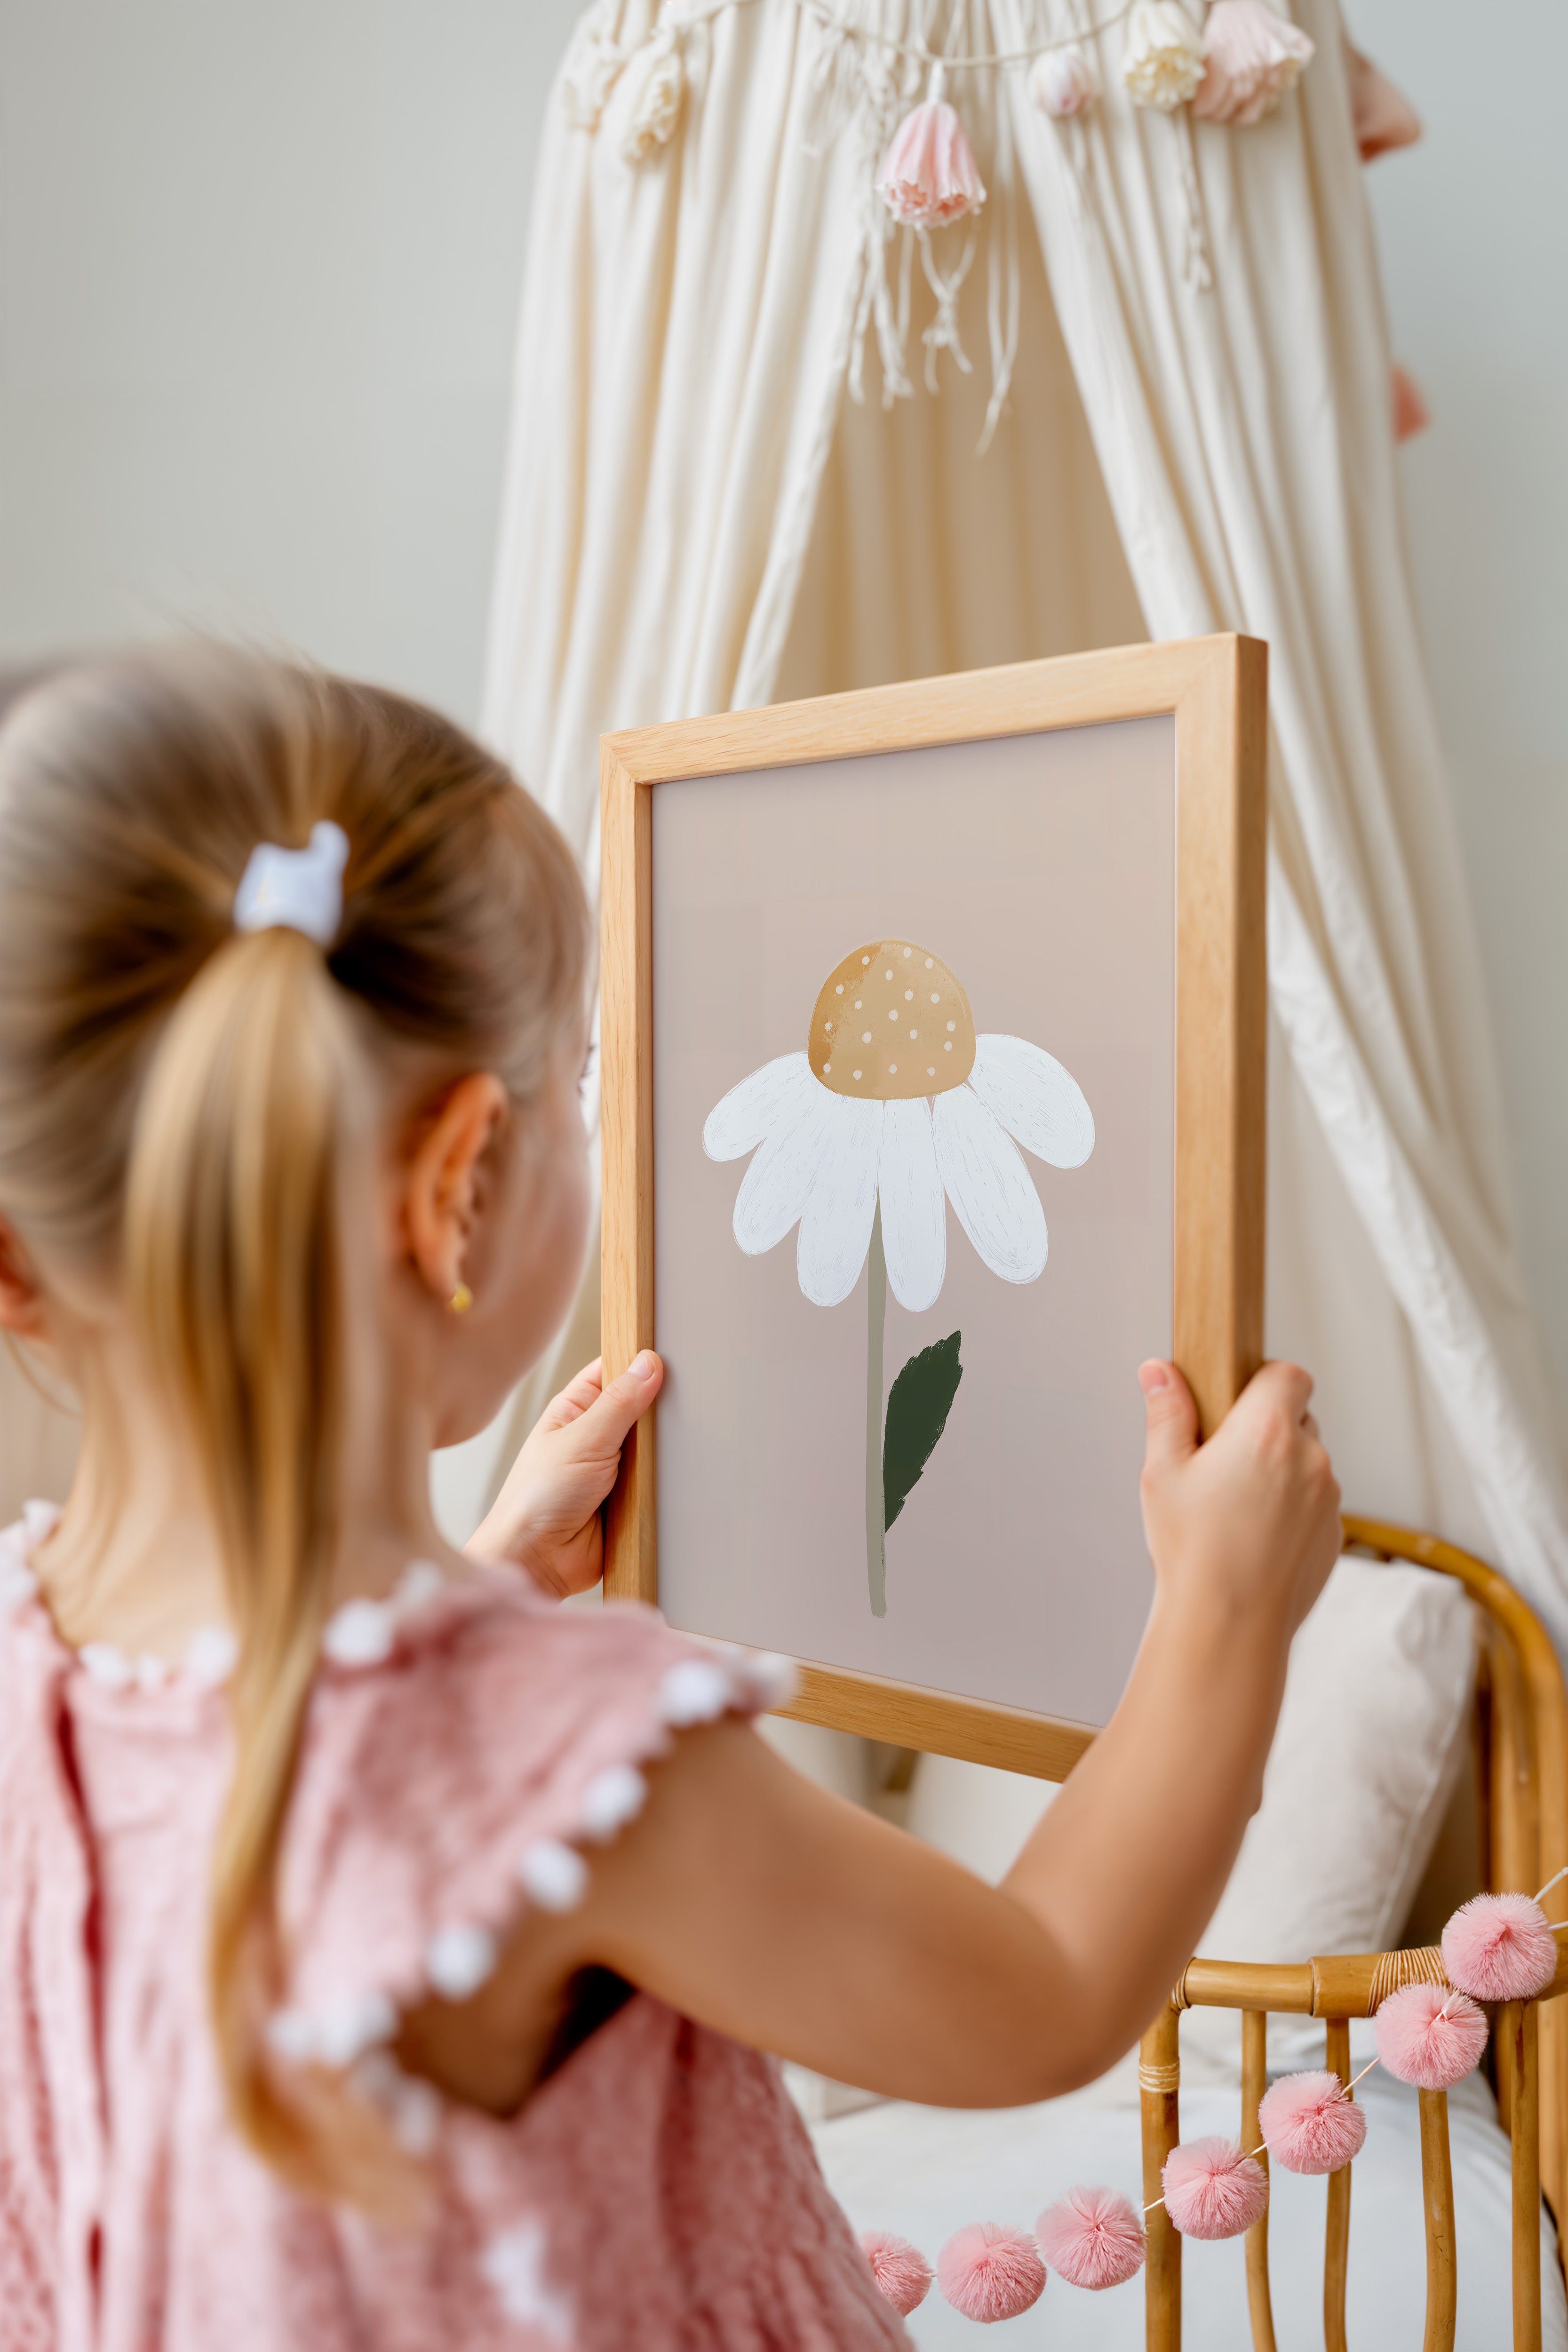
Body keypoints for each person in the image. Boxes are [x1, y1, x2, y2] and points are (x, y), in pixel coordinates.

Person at [0, 645, 1341, 2350]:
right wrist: (1226, 1609)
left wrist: (491, 1576)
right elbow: (1043, 1997)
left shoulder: (31, 1665)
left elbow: (309, 1786)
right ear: (459, 1189)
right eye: (580, 1081)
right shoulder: (570, 1760)